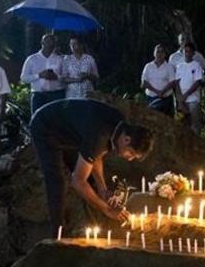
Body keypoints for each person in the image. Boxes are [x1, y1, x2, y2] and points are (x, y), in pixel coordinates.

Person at [29, 98, 153, 233]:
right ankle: (58, 232)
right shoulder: (100, 135)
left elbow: (96, 155)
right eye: (131, 153)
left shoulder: (119, 126)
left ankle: (96, 225)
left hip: (73, 131)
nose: (130, 159)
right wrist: (107, 209)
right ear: (126, 139)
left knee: (91, 182)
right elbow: (77, 182)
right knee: (56, 180)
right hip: (45, 125)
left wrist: (103, 189)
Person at [20, 33, 66, 115]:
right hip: (39, 95)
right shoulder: (32, 59)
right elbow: (24, 78)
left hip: (57, 95)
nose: (50, 43)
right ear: (42, 42)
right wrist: (39, 75)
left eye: (52, 41)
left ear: (55, 44)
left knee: (57, 121)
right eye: (47, 41)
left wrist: (56, 77)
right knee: (38, 121)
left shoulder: (60, 59)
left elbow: (67, 77)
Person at [173, 40, 205, 133]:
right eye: (185, 51)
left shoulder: (197, 65)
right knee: (182, 125)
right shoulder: (179, 66)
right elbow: (177, 83)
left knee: (195, 125)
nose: (187, 53)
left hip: (193, 100)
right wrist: (180, 99)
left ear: (193, 53)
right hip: (181, 100)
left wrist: (185, 95)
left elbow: (197, 82)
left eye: (189, 51)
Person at [141, 44, 176, 115]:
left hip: (166, 100)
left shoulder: (169, 67)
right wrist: (157, 92)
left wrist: (162, 92)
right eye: (158, 52)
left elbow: (172, 82)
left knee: (166, 122)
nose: (160, 54)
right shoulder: (148, 66)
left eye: (162, 52)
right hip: (151, 98)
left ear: (165, 54)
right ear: (154, 53)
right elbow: (144, 83)